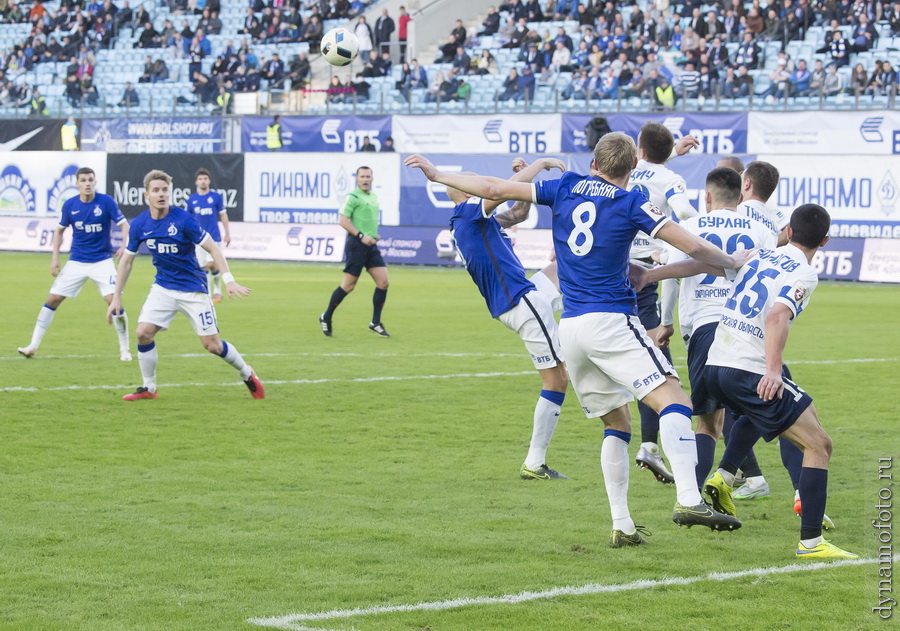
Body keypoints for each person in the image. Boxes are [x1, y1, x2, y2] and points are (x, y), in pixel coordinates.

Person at [406, 133, 747, 546]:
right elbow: (690, 244)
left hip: (572, 328)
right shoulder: (630, 201)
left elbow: (494, 189)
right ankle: (689, 498)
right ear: (630, 170)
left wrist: (437, 172)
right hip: (611, 319)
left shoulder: (564, 187)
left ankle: (622, 525)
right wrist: (731, 262)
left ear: (594, 163)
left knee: (616, 422)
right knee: (674, 400)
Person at [700, 205, 856, 559]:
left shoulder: (760, 254)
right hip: (747, 368)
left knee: (803, 407)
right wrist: (772, 370)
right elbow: (776, 316)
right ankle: (811, 543)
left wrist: (654, 275)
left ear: (787, 230)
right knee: (819, 445)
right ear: (826, 240)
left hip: (715, 364)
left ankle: (724, 476)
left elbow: (710, 262)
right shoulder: (804, 272)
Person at [636, 168, 776, 491]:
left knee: (709, 424)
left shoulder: (690, 226)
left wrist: (666, 322)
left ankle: (693, 495)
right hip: (745, 329)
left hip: (703, 326)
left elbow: (671, 277)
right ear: (740, 196)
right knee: (764, 404)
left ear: (707, 196)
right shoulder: (759, 229)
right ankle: (747, 478)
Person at [447, 157, 570, 480]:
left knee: (564, 269)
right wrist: (538, 166)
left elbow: (519, 212)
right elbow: (497, 192)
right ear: (465, 191)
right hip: (520, 302)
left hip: (523, 293)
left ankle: (590, 323)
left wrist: (518, 178)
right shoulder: (468, 213)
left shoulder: (475, 220)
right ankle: (535, 462)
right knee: (557, 380)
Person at [108, 169, 264, 401]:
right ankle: (149, 388)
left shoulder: (184, 220)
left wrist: (228, 280)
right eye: (156, 190)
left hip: (193, 290)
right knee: (143, 333)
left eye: (165, 190)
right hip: (163, 288)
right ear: (146, 195)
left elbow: (213, 249)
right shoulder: (140, 224)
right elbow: (127, 261)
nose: (161, 194)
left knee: (212, 345)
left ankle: (247, 373)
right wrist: (116, 296)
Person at [626, 122, 699, 485]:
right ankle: (654, 447)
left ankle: (648, 446)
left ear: (638, 146)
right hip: (642, 275)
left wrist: (669, 153)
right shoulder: (671, 179)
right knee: (658, 364)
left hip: (608, 270)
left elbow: (644, 167)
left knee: (648, 360)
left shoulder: (622, 168)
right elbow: (683, 211)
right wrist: (694, 227)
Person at [18, 167, 132, 361]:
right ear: (77, 183)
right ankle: (33, 346)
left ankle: (125, 349)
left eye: (90, 180)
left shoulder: (106, 202)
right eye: (84, 180)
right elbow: (59, 232)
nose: (87, 183)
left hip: (102, 261)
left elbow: (124, 225)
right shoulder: (70, 205)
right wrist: (55, 258)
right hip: (77, 261)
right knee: (52, 299)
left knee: (114, 303)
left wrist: (124, 245)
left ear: (95, 182)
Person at [319, 166, 390, 338]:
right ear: (357, 179)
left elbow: (367, 221)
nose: (365, 179)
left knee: (383, 282)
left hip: (371, 245)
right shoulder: (352, 197)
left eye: (368, 176)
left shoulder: (373, 196)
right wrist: (360, 235)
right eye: (362, 176)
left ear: (372, 178)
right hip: (356, 245)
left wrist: (372, 235)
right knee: (348, 286)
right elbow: (343, 220)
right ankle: (326, 316)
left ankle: (375, 322)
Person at [187, 168, 231, 303]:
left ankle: (217, 291)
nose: (203, 181)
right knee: (203, 266)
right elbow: (188, 219)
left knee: (213, 264)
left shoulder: (216, 197)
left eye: (205, 178)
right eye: (200, 179)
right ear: (196, 182)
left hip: (214, 237)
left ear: (209, 181)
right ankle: (206, 292)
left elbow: (223, 215)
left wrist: (227, 233)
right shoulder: (192, 199)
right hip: (198, 239)